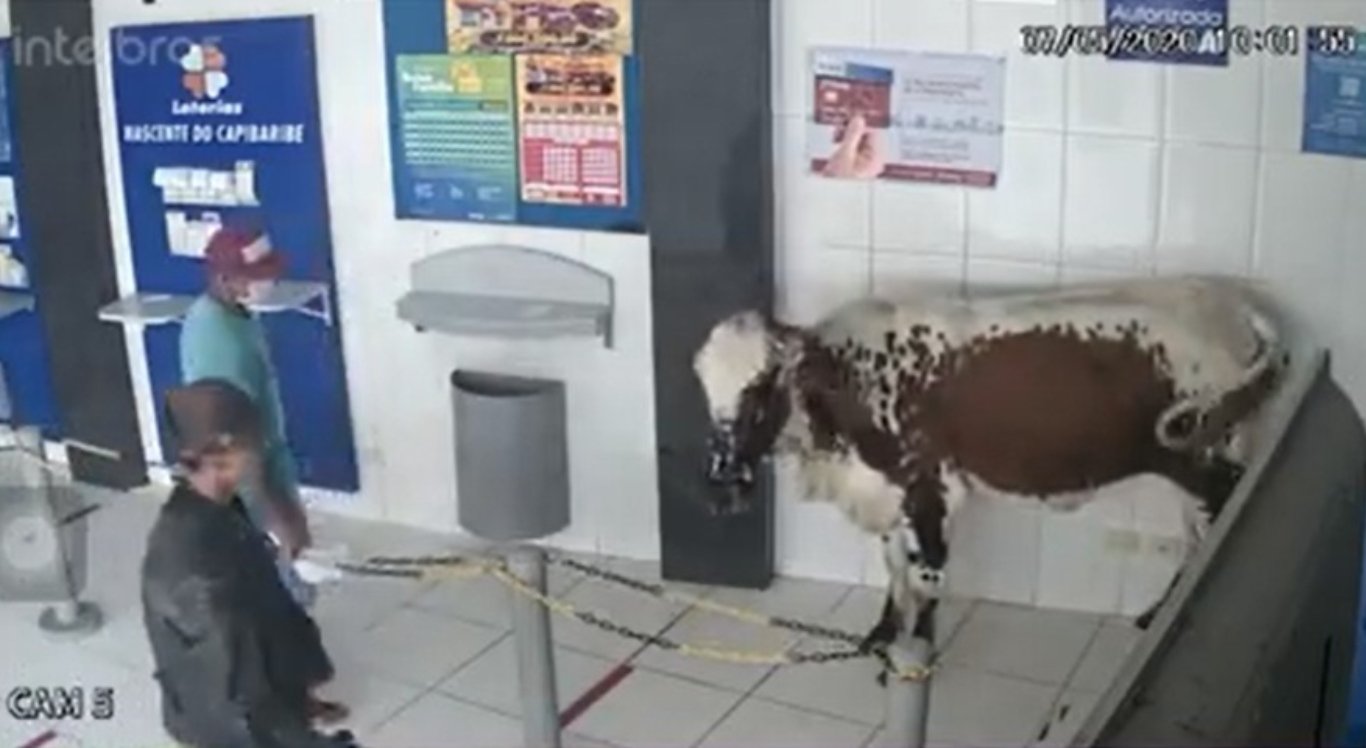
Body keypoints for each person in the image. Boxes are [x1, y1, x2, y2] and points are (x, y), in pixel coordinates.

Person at [179, 221, 346, 723]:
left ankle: (286, 695)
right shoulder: (218, 341)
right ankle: (279, 705)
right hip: (244, 488)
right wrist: (280, 520)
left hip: (264, 470)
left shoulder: (229, 316)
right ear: (227, 277)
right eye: (258, 276)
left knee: (283, 598)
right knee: (269, 606)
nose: (266, 284)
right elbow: (234, 448)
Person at [141, 379, 357, 748]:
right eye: (251, 443)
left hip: (255, 699)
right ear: (222, 453)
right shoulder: (195, 560)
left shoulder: (216, 511)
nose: (259, 451)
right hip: (233, 726)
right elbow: (238, 695)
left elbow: (266, 610)